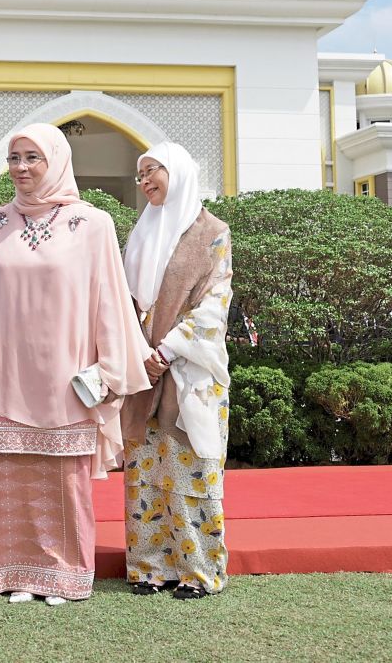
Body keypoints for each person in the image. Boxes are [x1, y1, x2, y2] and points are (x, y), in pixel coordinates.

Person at [0, 123, 150, 605]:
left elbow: (110, 299)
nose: (21, 168)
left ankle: (65, 576)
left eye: (33, 158)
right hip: (8, 374)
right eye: (14, 158)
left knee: (66, 484)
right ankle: (17, 573)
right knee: (13, 479)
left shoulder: (92, 224)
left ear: (57, 161)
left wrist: (110, 368)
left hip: (67, 378)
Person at [120, 142, 232, 599]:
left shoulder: (213, 232)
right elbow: (122, 303)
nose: (145, 180)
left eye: (153, 170)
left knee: (191, 473)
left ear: (178, 171)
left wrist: (165, 351)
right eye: (140, 174)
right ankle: (149, 567)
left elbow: (214, 304)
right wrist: (134, 351)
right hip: (141, 372)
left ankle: (199, 571)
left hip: (188, 374)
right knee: (145, 472)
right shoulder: (141, 232)